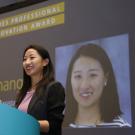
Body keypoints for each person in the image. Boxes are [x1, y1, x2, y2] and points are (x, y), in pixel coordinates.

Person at [62, 44, 131, 128]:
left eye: (93, 75)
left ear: (106, 78)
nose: (84, 85)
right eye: (78, 76)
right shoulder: (58, 126)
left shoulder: (122, 128)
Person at [15, 44, 65, 135]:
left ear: (45, 62)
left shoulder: (54, 87)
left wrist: (26, 123)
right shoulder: (21, 93)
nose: (27, 62)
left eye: (32, 57)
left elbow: (55, 125)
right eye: (24, 59)